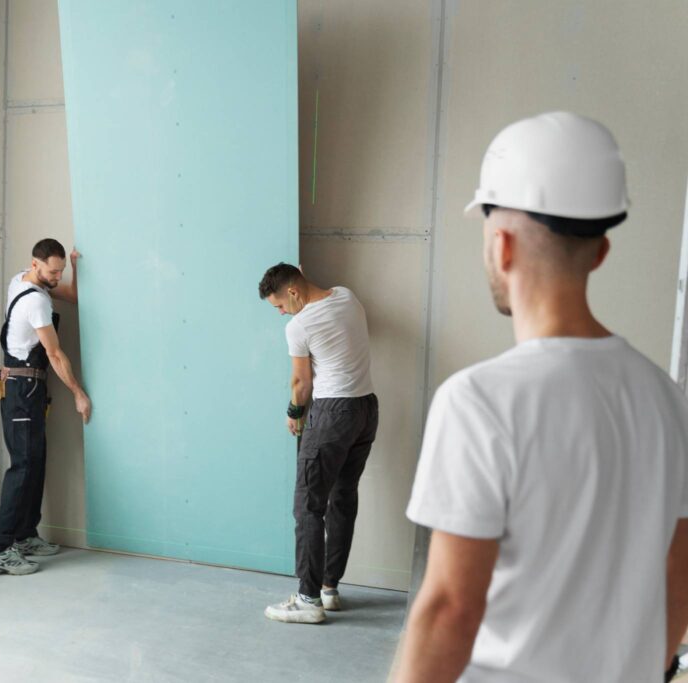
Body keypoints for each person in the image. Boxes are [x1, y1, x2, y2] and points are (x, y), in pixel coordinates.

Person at [395, 112, 688, 682]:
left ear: (500, 247)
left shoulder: (478, 402)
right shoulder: (667, 399)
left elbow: (450, 608)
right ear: (600, 251)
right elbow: (682, 568)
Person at [257, 264, 379, 623]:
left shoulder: (299, 326)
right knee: (342, 497)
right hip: (366, 409)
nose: (280, 313)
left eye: (279, 304)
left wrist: (294, 412)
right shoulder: (346, 296)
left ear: (293, 292)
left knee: (308, 504)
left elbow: (302, 383)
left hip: (331, 412)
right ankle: (329, 588)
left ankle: (308, 600)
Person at [0, 238, 92, 576]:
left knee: (35, 463)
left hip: (25, 387)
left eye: (60, 271)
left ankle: (24, 535)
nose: (57, 277)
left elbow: (73, 296)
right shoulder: (36, 304)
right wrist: (78, 393)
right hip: (21, 389)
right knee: (23, 467)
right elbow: (55, 354)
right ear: (35, 264)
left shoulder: (23, 280)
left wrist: (73, 268)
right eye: (53, 271)